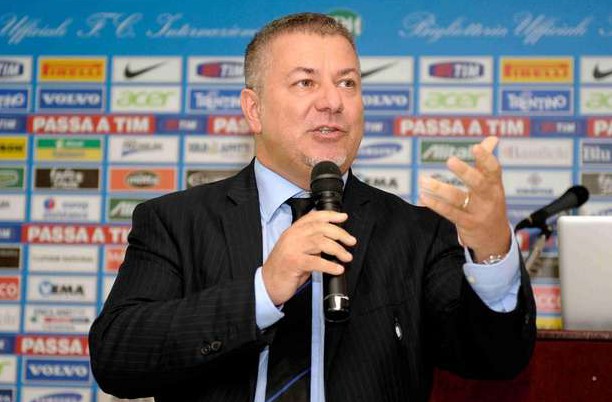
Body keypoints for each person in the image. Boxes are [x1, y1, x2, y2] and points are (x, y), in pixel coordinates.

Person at [89, 12, 535, 402]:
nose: (332, 102)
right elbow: (117, 358)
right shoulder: (177, 221)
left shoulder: (416, 232)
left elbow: (496, 358)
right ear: (254, 109)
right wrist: (263, 291)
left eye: (347, 83)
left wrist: (492, 251)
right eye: (306, 82)